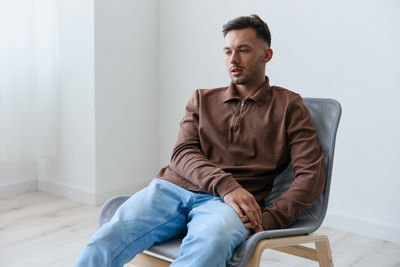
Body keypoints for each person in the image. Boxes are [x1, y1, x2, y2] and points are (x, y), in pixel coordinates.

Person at [74, 14, 325, 267]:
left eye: (243, 50)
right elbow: (182, 153)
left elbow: (311, 175)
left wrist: (270, 220)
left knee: (210, 243)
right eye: (227, 52)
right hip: (173, 189)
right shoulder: (202, 99)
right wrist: (227, 185)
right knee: (108, 237)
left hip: (228, 208)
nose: (233, 60)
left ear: (266, 55)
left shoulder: (289, 106)